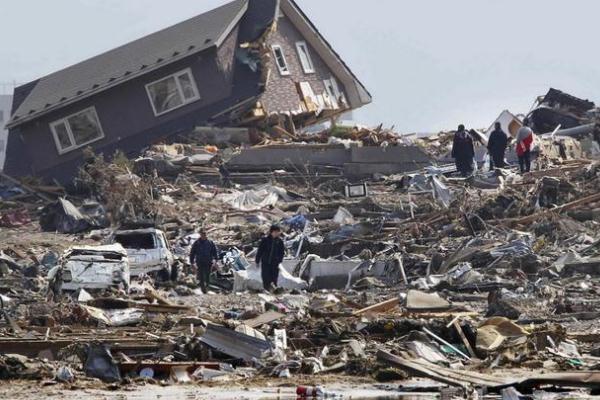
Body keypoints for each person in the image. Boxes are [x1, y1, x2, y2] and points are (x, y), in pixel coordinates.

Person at [255, 225, 285, 291]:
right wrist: (257, 260)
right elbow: (260, 251)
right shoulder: (265, 240)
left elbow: (282, 252)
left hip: (275, 264)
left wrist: (279, 260)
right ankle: (266, 291)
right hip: (266, 263)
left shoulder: (280, 241)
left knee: (274, 278)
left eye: (278, 232)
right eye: (275, 232)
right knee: (266, 278)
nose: (277, 233)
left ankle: (274, 292)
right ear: (271, 232)